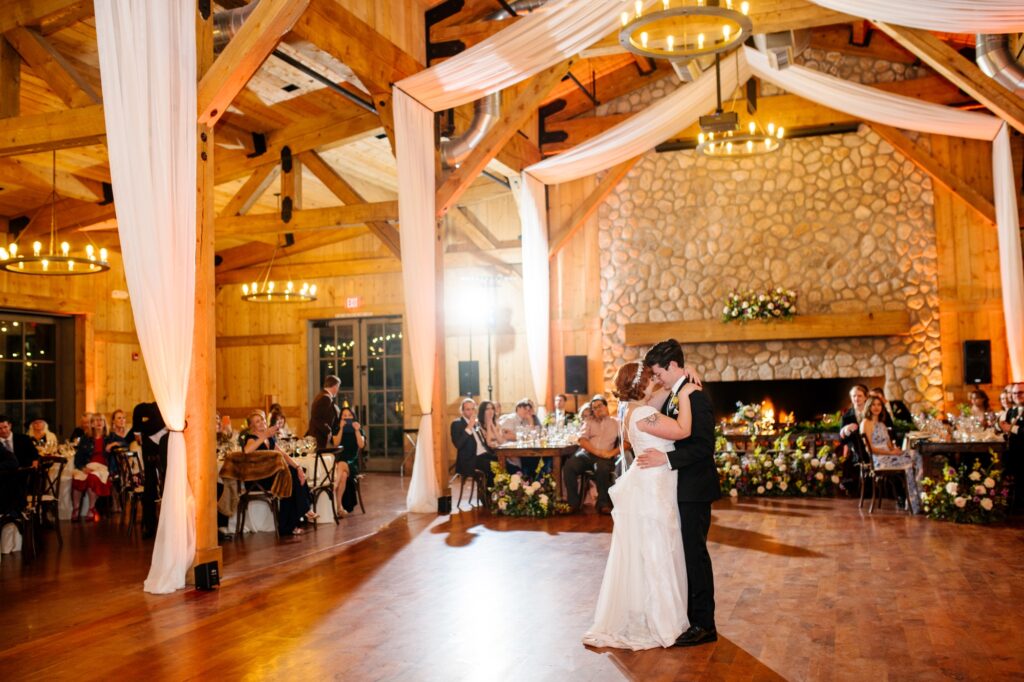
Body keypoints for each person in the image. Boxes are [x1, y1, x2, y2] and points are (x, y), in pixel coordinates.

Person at [584, 361, 699, 650]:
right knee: (656, 547)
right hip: (653, 487)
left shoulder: (632, 409)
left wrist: (682, 376)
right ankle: (662, 619)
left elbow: (661, 397)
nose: (655, 380)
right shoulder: (644, 413)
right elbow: (683, 430)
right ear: (641, 383)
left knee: (653, 546)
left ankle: (650, 612)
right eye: (651, 377)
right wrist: (685, 396)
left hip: (653, 482)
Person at [638, 339, 719, 648]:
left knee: (695, 555)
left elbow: (703, 446)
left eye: (659, 373)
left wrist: (667, 459)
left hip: (695, 488)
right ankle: (691, 617)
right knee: (685, 555)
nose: (657, 379)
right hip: (680, 487)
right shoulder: (677, 392)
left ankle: (704, 624)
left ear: (672, 366)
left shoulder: (694, 396)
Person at [242, 411, 315, 535]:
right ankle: (304, 508)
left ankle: (288, 525)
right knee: (289, 476)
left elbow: (284, 454)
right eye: (257, 421)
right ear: (251, 426)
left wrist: (298, 468)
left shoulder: (269, 439)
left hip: (272, 476)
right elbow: (247, 451)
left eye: (262, 420)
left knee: (292, 475)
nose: (262, 422)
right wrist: (264, 435)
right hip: (258, 479)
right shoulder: (251, 439)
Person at [861, 395, 923, 513]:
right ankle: (913, 505)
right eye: (873, 405)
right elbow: (870, 449)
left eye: (879, 404)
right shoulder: (866, 423)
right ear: (868, 407)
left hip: (889, 456)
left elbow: (890, 445)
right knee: (910, 464)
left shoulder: (882, 424)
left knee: (917, 456)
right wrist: (891, 452)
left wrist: (897, 451)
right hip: (879, 460)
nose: (876, 407)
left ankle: (919, 499)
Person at [563, 395, 619, 514]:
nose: (598, 409)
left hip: (605, 457)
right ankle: (573, 503)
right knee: (569, 465)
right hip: (587, 454)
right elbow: (582, 440)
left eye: (600, 406)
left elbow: (627, 442)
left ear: (606, 406)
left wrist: (612, 453)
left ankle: (603, 504)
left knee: (602, 468)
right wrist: (597, 452)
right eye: (594, 408)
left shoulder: (616, 423)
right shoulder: (589, 422)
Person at [132, 401, 167, 538]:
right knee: (151, 484)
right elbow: (138, 409)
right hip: (150, 444)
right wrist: (137, 431)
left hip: (169, 443)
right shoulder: (156, 407)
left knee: (169, 484)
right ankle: (150, 525)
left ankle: (170, 525)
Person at [72, 413, 113, 522]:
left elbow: (125, 443)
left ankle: (91, 509)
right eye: (96, 420)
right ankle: (75, 509)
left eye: (101, 420)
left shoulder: (109, 437)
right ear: (92, 424)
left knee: (92, 477)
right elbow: (78, 457)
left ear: (104, 423)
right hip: (88, 465)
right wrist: (82, 468)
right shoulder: (86, 438)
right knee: (76, 477)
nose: (99, 422)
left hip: (102, 467)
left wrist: (113, 445)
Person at [0, 415, 39, 516]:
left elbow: (35, 456)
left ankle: (14, 514)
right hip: (4, 477)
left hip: (24, 476)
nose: (3, 431)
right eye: (0, 428)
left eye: (5, 427)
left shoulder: (23, 439)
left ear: (10, 426)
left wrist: (34, 465)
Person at [333, 406, 365, 514]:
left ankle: (334, 486)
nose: (347, 418)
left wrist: (356, 431)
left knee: (342, 465)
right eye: (344, 416)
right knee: (342, 475)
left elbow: (361, 445)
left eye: (349, 415)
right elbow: (336, 444)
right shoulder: (337, 429)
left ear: (353, 417)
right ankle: (339, 507)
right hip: (339, 462)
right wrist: (341, 428)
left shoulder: (359, 429)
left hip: (352, 462)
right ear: (340, 418)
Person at [307, 375, 341, 450]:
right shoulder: (325, 398)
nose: (338, 390)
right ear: (335, 386)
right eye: (338, 387)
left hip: (320, 434)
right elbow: (317, 418)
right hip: (320, 436)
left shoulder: (322, 395)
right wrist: (328, 431)